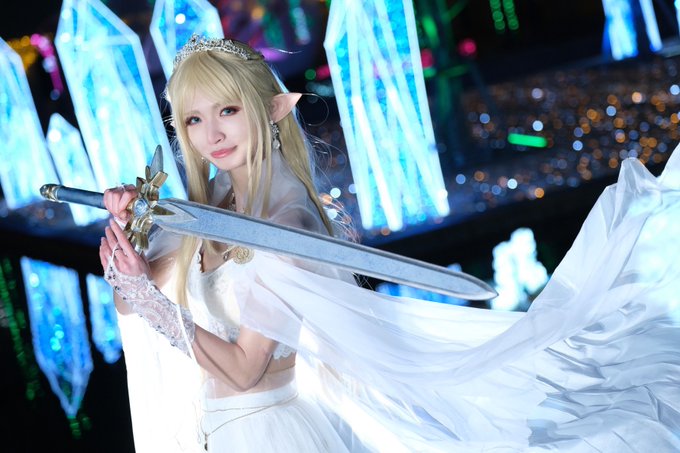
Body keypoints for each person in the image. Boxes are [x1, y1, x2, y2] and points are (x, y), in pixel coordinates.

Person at [99, 35, 680, 452]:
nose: (213, 133)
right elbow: (131, 300)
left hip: (266, 433)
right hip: (214, 433)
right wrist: (130, 240)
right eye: (194, 119)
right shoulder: (210, 211)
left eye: (227, 110)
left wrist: (149, 299)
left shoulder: (287, 223)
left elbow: (245, 370)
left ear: (272, 109)